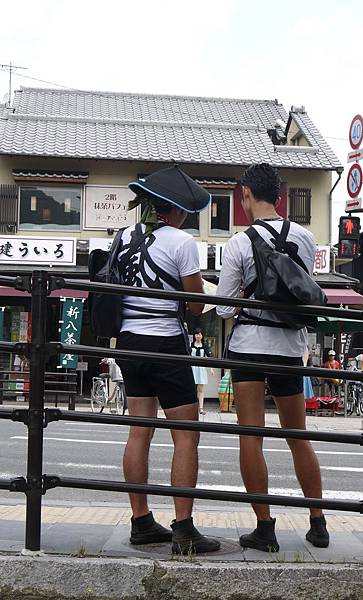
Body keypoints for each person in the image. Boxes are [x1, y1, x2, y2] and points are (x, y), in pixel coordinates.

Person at [216, 163, 329, 552]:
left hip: (249, 346)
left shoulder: (239, 242)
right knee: (297, 436)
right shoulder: (305, 237)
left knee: (252, 435)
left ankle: (265, 528)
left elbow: (223, 308)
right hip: (289, 348)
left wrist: (245, 297)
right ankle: (318, 521)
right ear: (279, 197)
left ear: (246, 193)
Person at [116, 166, 220, 555]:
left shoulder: (123, 236)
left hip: (128, 342)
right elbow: (195, 305)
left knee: (139, 431)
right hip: (164, 345)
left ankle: (141, 520)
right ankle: (184, 527)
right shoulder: (182, 242)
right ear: (177, 211)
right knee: (186, 433)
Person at [190, 328, 214, 415]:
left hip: (201, 368)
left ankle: (201, 408)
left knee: (201, 389)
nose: (198, 336)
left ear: (202, 335)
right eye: (196, 334)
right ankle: (192, 408)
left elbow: (209, 357)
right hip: (192, 368)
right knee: (191, 389)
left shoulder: (204, 345)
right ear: (194, 335)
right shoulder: (190, 345)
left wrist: (211, 368)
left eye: (200, 334)